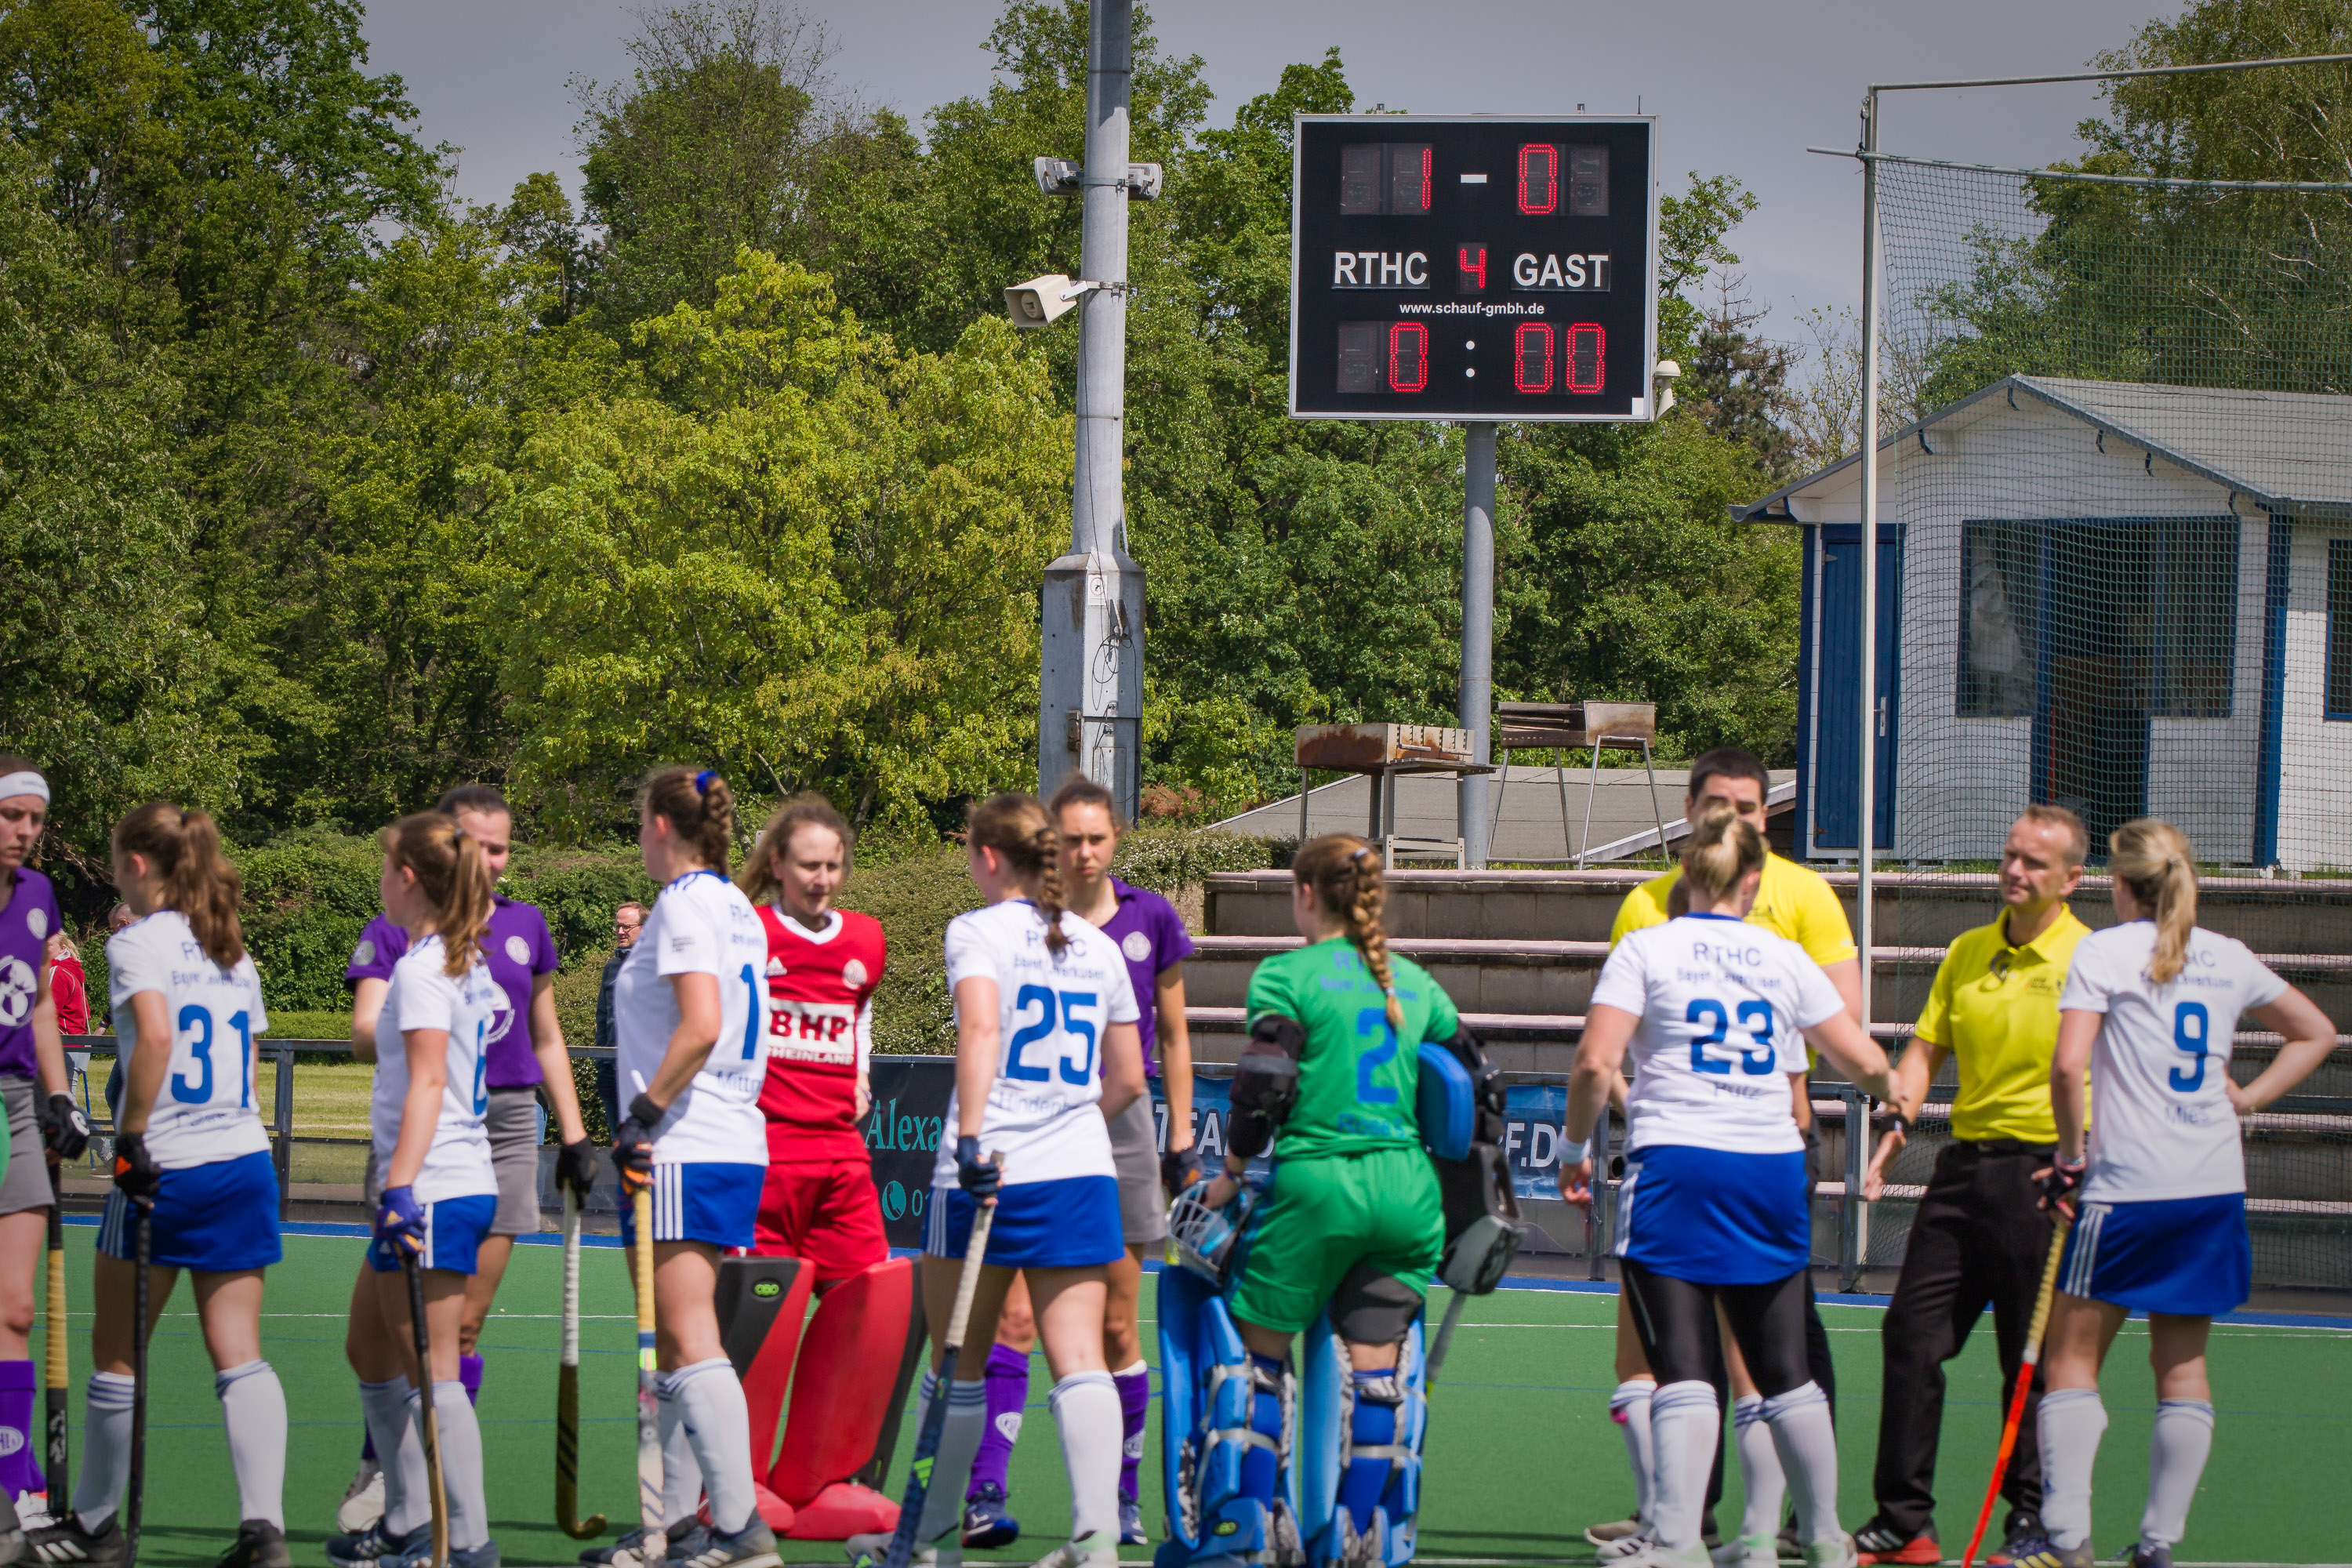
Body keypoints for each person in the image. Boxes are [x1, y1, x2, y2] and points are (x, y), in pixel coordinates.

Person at [1560, 802, 1893, 1568]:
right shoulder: (1784, 956)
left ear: (1686, 870)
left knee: (1684, 1366)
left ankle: (1679, 1540)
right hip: (1769, 1166)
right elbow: (1861, 1058)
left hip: (1679, 1165)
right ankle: (1825, 1536)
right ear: (1753, 881)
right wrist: (1896, 1094)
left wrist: (1575, 1148)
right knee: (1786, 1370)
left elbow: (1594, 1062)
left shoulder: (1646, 947)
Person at [2019, 819, 2336, 1568]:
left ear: (2119, 883)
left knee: (2071, 1361)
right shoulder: (2227, 955)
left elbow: (2067, 1067)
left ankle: (2066, 1537)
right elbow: (2316, 1032)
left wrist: (2069, 1159)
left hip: (2127, 1189)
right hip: (2211, 1188)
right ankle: (2159, 1543)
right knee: (2183, 1368)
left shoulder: (2103, 951)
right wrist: (2247, 1099)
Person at [846, 793, 1145, 1568]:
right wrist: (1064, 1122)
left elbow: (981, 1029)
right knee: (1079, 1359)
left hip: (985, 1174)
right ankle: (1096, 1540)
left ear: (985, 855)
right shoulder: (1099, 945)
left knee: (958, 1364)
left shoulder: (975, 931)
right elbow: (1127, 1078)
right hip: (1079, 1173)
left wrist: (978, 1135)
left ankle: (925, 1537)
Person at [28, 804, 289, 1568]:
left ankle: (95, 1525)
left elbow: (158, 1034)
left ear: (139, 865)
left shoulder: (135, 942)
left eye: (116, 864)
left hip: (166, 1165)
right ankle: (264, 1530)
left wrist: (133, 1135)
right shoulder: (230, 945)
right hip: (243, 1160)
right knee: (240, 1351)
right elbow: (246, 1054)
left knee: (116, 1351)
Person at [335, 788, 599, 1535]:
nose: (487, 860)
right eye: (473, 845)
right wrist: (412, 1021)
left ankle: (443, 1518)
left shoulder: (502, 936)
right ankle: (403, 1489)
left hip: (472, 1143)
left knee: (451, 1339)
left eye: (500, 847)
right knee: (374, 1343)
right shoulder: (418, 946)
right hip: (430, 1138)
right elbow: (375, 1038)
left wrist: (574, 1134)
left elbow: (537, 1038)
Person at [1193, 833, 1456, 1564]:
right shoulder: (1414, 982)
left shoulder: (1287, 975)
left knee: (1256, 1362)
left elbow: (1262, 1085)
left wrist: (1231, 1170)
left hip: (1318, 1186)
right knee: (1377, 1378)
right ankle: (1356, 1529)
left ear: (1305, 894)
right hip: (1407, 1193)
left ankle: (1260, 1519)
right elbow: (1470, 1089)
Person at [961, 779, 1198, 1550]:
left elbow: (1172, 1035)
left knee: (1118, 1325)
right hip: (1040, 1130)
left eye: (1098, 838)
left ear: (1117, 839)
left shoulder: (1148, 917)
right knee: (1015, 1319)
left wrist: (1179, 1136)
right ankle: (986, 1489)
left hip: (1113, 1128)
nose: (1085, 852)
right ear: (1047, 844)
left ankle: (1119, 1499)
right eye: (1070, 839)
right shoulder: (1017, 924)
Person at [1852, 806, 2091, 1565]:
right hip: (1962, 1173)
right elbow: (1927, 1048)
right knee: (1911, 1334)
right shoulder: (1967, 951)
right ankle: (1903, 1521)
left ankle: (2034, 1525)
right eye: (2010, 855)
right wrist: (1898, 1119)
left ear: (2070, 880)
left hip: (2047, 1175)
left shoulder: (2092, 959)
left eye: (2034, 862)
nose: (2015, 870)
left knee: (2032, 1358)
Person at [608, 768, 779, 1568]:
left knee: (687, 1332)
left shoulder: (681, 902)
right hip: (733, 1132)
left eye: (641, 822)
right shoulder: (739, 906)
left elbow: (702, 1023)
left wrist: (644, 1112)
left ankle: (740, 1525)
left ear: (661, 825)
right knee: (677, 1344)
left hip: (684, 1135)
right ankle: (672, 1523)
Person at [328, 813, 505, 1568]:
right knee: (368, 1348)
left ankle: (467, 1540)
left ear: (407, 878)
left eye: (384, 870)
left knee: (432, 1374)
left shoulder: (424, 967)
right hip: (444, 1179)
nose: (380, 883)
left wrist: (399, 1187)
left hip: (433, 1184)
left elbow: (429, 1082)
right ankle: (405, 1518)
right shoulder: (459, 960)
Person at [740, 797, 887, 1284]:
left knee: (868, 1301)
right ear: (777, 864)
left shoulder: (865, 938)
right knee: (760, 1313)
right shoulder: (749, 932)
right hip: (764, 1152)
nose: (822, 878)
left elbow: (859, 1013)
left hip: (840, 1152)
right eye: (809, 866)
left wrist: (860, 1075)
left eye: (833, 866)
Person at [0, 759, 82, 1539]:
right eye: (11, 815)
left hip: (20, 1103)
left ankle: (14, 1482)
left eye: (35, 818)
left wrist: (60, 1098)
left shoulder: (38, 894)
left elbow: (39, 1012)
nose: (25, 830)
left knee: (16, 1306)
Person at [596, 904, 648, 1132]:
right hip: (611, 1070)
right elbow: (602, 1018)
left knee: (645, 1141)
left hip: (643, 1071)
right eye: (617, 926)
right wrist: (601, 1064)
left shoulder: (655, 965)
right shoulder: (612, 967)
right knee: (618, 1142)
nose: (620, 932)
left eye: (627, 927)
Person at [43, 935, 86, 1040]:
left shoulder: (58, 972)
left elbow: (48, 1013)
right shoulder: (70, 970)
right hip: (77, 1041)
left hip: (64, 1042)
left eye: (48, 945)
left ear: (62, 948)